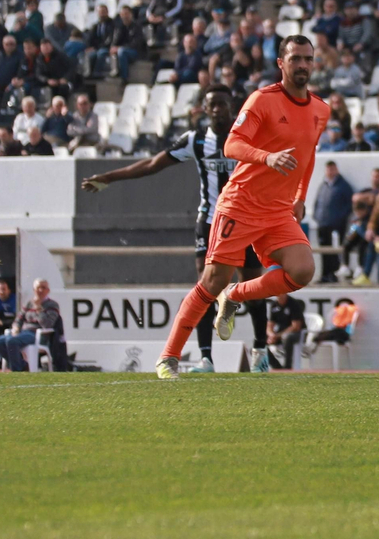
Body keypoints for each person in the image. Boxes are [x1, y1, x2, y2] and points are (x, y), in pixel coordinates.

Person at [154, 36, 330, 379]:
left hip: (278, 210)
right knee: (211, 281)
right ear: (281, 63)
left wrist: (300, 197)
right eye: (296, 59)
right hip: (241, 203)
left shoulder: (320, 109)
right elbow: (232, 145)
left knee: (303, 270)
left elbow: (307, 156)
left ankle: (236, 295)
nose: (303, 65)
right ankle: (169, 357)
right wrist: (267, 156)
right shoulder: (263, 100)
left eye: (308, 59)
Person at [84, 84, 272, 371]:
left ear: (232, 108)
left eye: (224, 104)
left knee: (251, 286)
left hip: (244, 221)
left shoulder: (249, 137)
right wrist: (109, 177)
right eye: (214, 105)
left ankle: (260, 350)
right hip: (209, 220)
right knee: (205, 286)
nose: (219, 109)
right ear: (205, 110)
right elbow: (152, 164)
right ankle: (206, 358)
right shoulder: (195, 140)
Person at [0, 278, 62, 372]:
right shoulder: (29, 303)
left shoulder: (52, 305)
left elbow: (47, 324)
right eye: (38, 287)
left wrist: (39, 308)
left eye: (43, 288)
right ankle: (22, 365)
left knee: (12, 341)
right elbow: (19, 318)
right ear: (34, 290)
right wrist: (16, 327)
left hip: (37, 334)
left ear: (48, 290)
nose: (40, 290)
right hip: (23, 332)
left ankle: (17, 371)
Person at [311, 162, 354, 283]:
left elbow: (349, 205)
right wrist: (317, 216)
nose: (330, 172)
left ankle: (333, 274)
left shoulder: (344, 186)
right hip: (322, 224)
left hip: (337, 225)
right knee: (324, 251)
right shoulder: (323, 185)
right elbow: (317, 202)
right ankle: (325, 275)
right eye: (328, 170)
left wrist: (340, 218)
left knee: (335, 251)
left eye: (332, 169)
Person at [265, 292, 305, 369]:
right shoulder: (274, 305)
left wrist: (277, 336)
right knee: (261, 340)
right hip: (280, 334)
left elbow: (296, 326)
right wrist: (271, 335)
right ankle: (277, 367)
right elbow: (270, 325)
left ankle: (288, 366)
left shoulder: (293, 304)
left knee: (287, 337)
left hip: (296, 333)